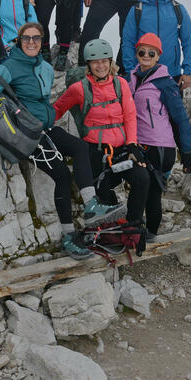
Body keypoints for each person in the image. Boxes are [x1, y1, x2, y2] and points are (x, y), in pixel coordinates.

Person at [0, 22, 92, 244]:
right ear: (19, 42)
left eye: (36, 38)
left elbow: (43, 100)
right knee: (62, 175)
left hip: (46, 128)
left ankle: (91, 206)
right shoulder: (9, 67)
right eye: (26, 38)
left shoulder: (46, 68)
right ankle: (69, 236)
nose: (31, 42)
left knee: (81, 147)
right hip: (27, 134)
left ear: (42, 42)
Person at [54, 39, 151, 239]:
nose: (101, 66)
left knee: (142, 179)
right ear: (89, 65)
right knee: (104, 194)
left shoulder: (120, 84)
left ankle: (133, 225)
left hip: (122, 148)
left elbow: (130, 115)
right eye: (95, 62)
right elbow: (56, 110)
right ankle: (111, 233)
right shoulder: (79, 89)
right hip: (95, 150)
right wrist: (37, 123)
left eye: (105, 61)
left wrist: (132, 144)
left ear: (110, 62)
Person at [128, 33, 191, 239]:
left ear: (158, 56)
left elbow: (181, 119)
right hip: (139, 144)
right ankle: (135, 231)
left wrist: (187, 154)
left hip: (160, 147)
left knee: (152, 193)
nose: (146, 55)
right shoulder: (132, 78)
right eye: (142, 51)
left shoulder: (165, 83)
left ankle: (151, 235)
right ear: (136, 53)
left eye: (151, 52)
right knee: (138, 188)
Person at [121, 0, 191, 90]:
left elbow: (188, 42)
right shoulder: (136, 10)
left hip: (172, 75)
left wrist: (188, 72)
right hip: (142, 75)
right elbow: (127, 42)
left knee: (173, 109)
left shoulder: (178, 9)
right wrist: (130, 71)